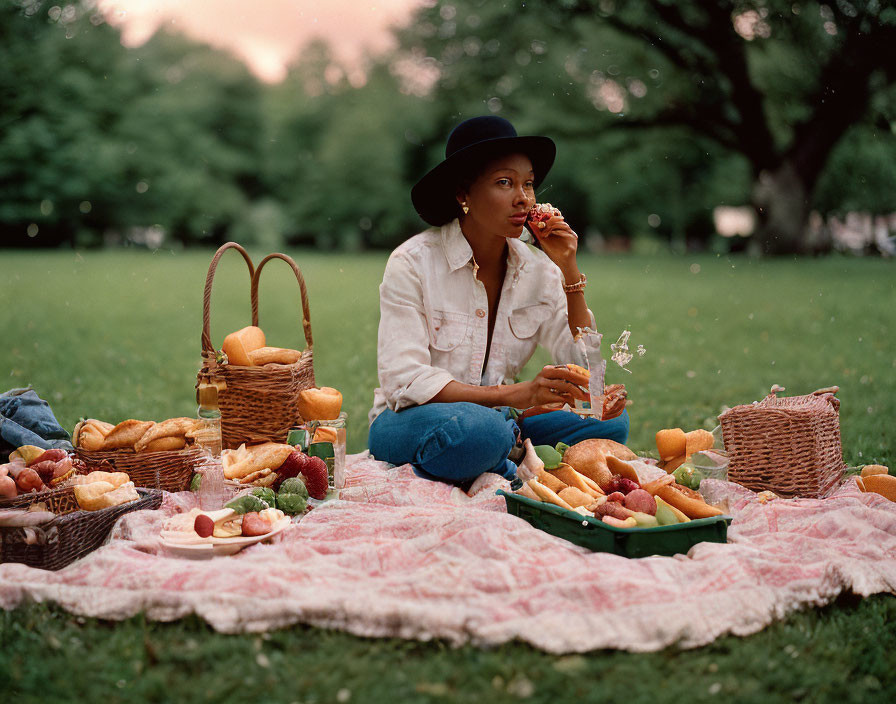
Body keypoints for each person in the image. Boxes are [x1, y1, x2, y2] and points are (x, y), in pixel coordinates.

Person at [368, 116, 628, 485]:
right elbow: (404, 382)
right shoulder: (412, 263)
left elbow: (590, 381)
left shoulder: (541, 271)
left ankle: (498, 452)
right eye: (504, 182)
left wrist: (569, 272)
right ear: (464, 195)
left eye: (528, 184)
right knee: (481, 431)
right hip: (410, 420)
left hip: (501, 418)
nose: (523, 197)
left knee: (611, 420)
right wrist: (521, 394)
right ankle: (505, 457)